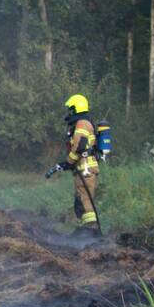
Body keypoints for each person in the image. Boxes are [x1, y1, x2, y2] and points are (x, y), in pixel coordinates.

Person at [46, 94, 100, 233]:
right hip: (82, 169)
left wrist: (68, 162)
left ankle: (92, 232)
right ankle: (87, 231)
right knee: (81, 201)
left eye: (70, 109)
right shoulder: (82, 122)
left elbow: (79, 146)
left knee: (85, 201)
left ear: (76, 108)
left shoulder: (82, 123)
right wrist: (68, 164)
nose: (69, 112)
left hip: (86, 169)